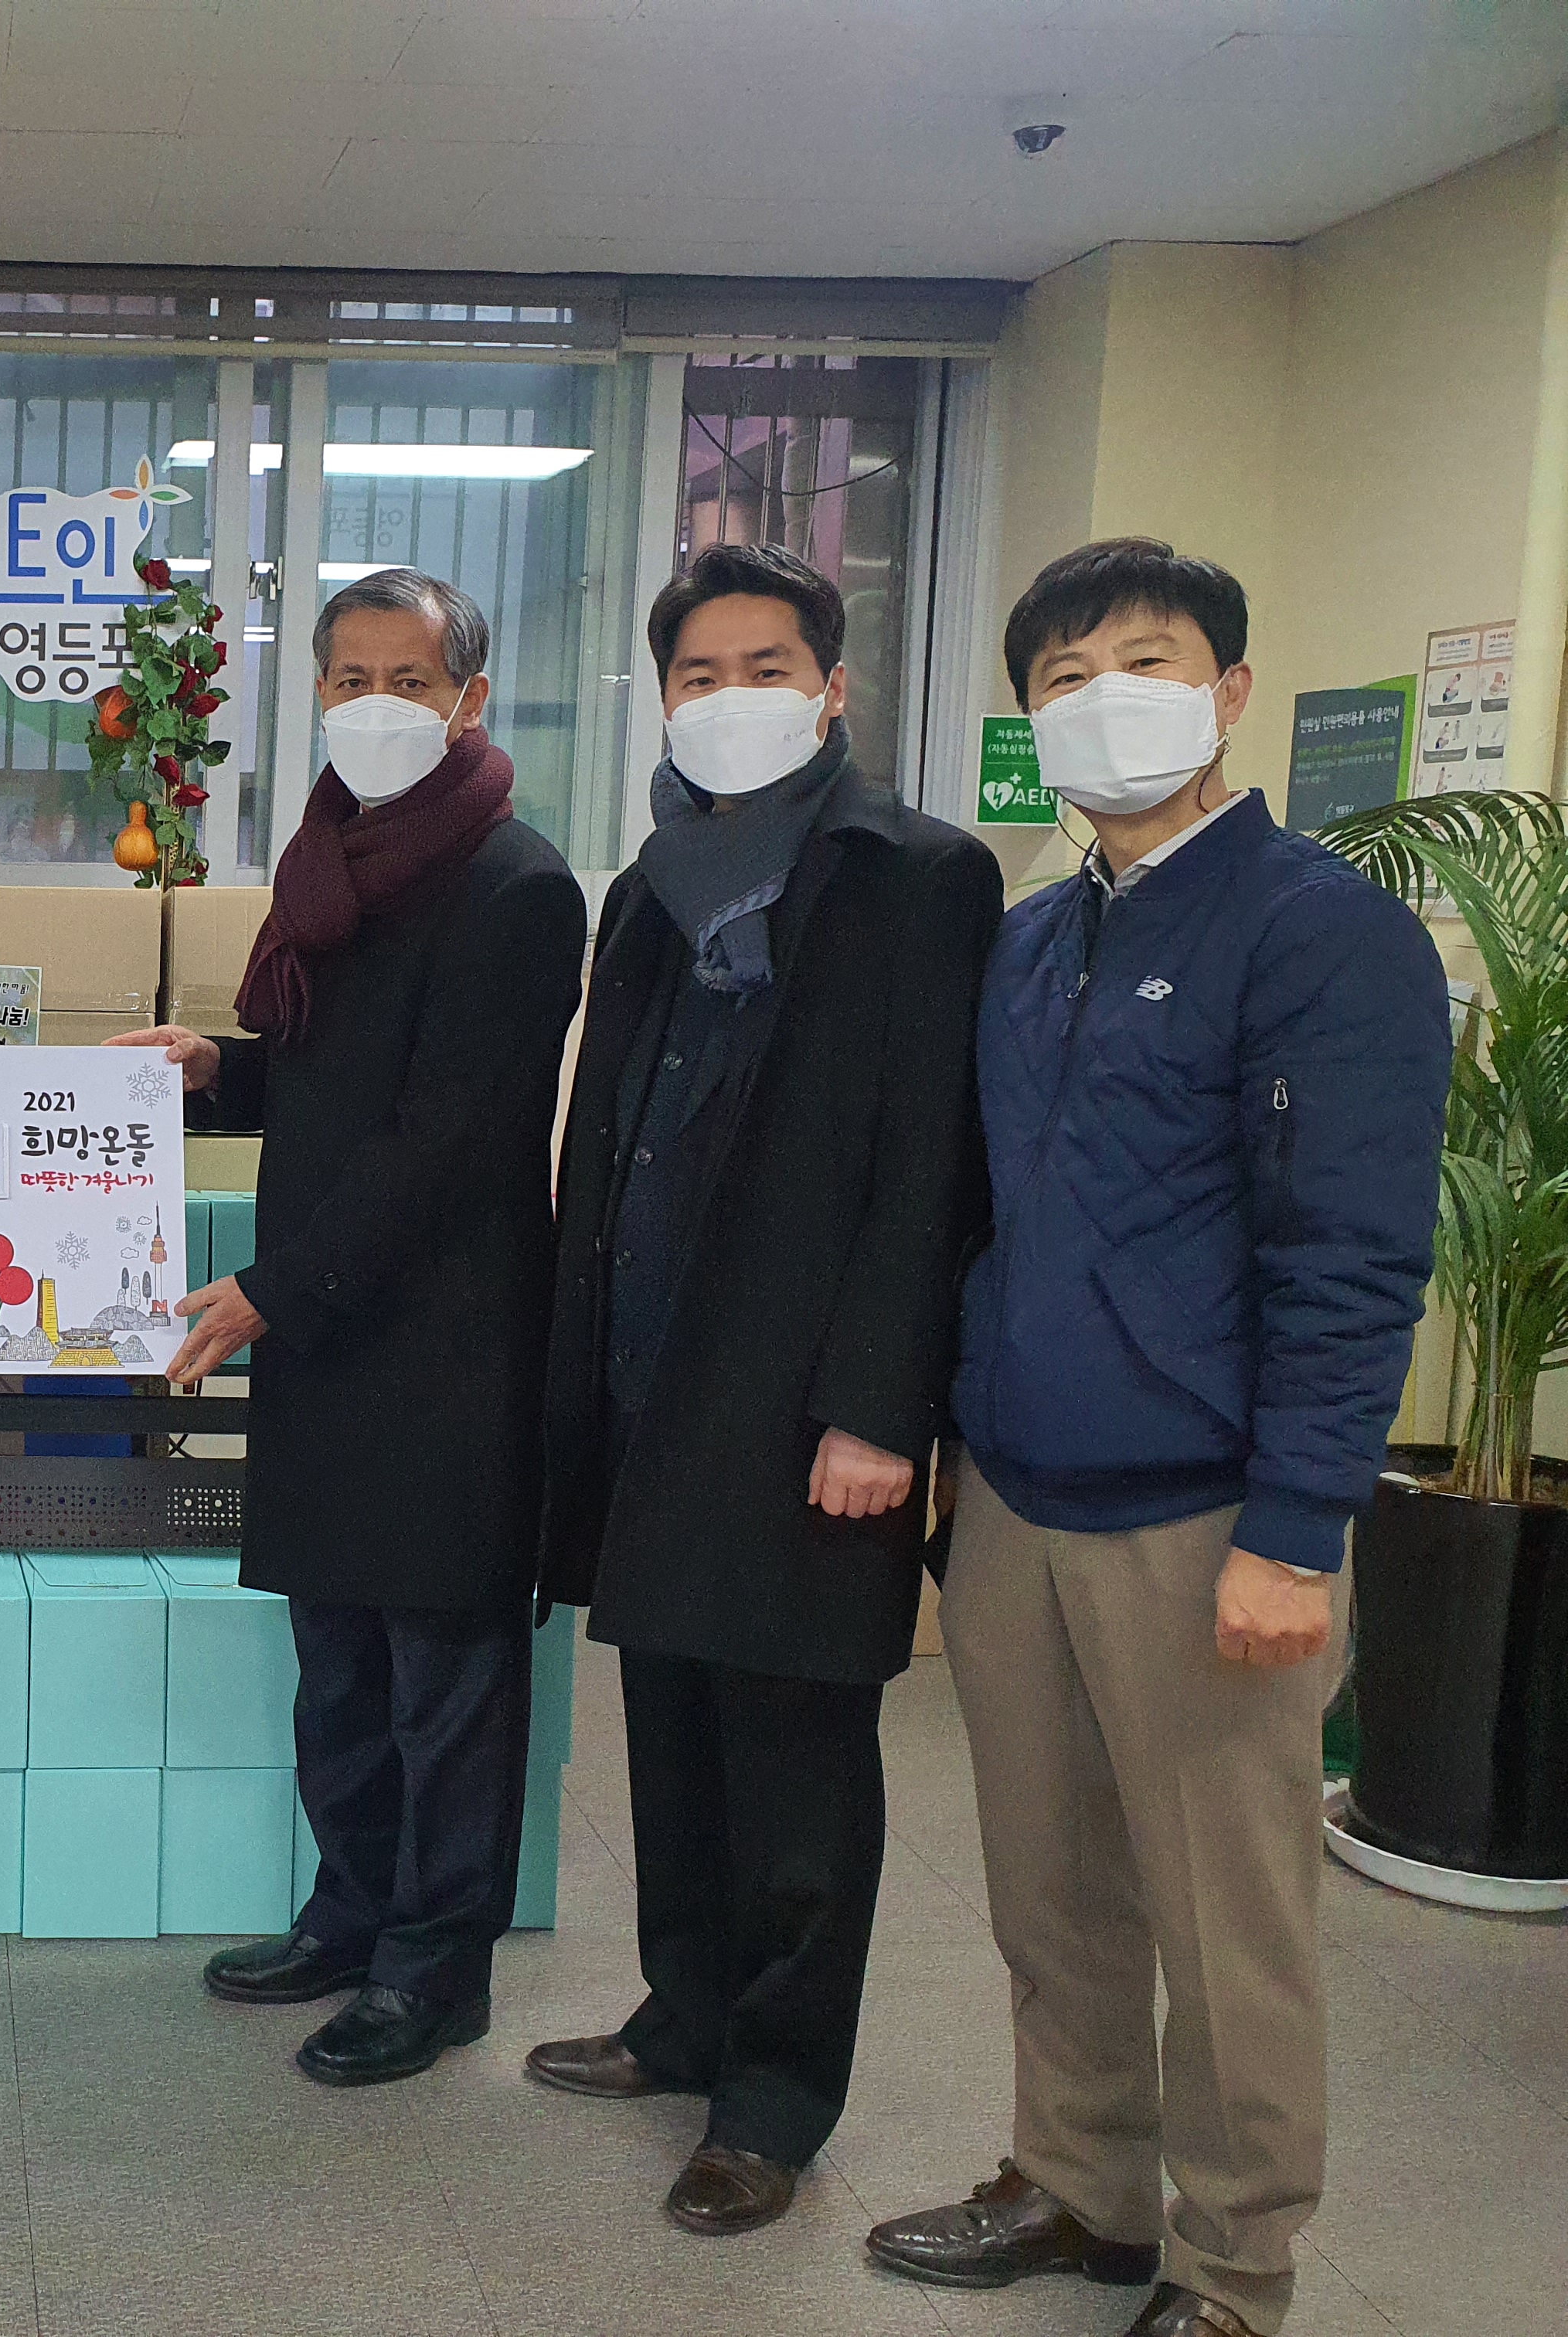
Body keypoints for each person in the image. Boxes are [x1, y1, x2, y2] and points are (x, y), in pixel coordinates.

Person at [868, 541, 1450, 2337]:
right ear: (1030, 719)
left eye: (1147, 657)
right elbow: (989, 1215)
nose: (1102, 695)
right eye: (1060, 677)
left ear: (1230, 694)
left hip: (1208, 1518)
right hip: (1022, 1499)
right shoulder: (1036, 936)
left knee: (1230, 1926)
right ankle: (1081, 2184)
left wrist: (1297, 1530)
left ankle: (1233, 2264)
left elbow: (1352, 1259)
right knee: (1052, 1896)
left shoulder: (1319, 929)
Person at [527, 543, 1003, 2233]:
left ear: (834, 686)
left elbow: (932, 1163)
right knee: (670, 1729)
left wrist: (884, 1409)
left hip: (811, 1401)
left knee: (797, 1763)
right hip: (656, 1366)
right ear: (663, 697)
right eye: (698, 674)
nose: (731, 699)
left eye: (765, 665)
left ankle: (777, 2098)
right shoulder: (651, 883)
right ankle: (684, 2017)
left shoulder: (919, 877)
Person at [112, 568, 588, 2087]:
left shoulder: (519, 886)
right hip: (333, 1333)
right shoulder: (333, 866)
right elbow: (329, 1080)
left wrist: (268, 1293)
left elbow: (444, 1143)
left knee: (444, 1677)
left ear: (469, 702)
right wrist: (217, 1075)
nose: (373, 705)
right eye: (345, 677)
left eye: (407, 677)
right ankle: (351, 1913)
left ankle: (436, 1972)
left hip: (446, 1347)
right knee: (340, 1668)